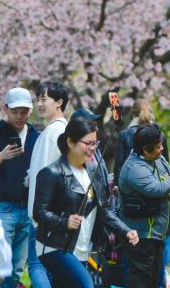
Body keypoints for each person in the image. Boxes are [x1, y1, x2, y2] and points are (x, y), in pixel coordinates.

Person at [33, 117, 139, 288]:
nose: (93, 148)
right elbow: (39, 212)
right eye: (88, 143)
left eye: (95, 143)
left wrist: (126, 231)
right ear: (70, 142)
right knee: (86, 285)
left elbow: (105, 211)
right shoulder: (51, 173)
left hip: (82, 247)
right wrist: (64, 222)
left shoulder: (92, 171)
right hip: (54, 246)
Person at [118, 123, 170, 288]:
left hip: (156, 232)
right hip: (141, 234)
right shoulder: (134, 167)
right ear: (145, 149)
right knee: (140, 280)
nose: (161, 149)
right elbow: (158, 189)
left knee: (154, 280)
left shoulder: (158, 159)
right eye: (158, 147)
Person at [0, 88, 40, 288]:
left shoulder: (36, 135)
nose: (20, 116)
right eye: (15, 111)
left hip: (29, 209)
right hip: (4, 208)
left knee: (17, 270)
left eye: (24, 111)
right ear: (5, 109)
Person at [28, 80, 70, 288]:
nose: (40, 104)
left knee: (37, 266)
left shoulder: (52, 133)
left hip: (42, 214)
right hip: (54, 213)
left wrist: (37, 213)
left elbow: (42, 175)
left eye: (44, 99)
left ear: (59, 102)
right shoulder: (63, 131)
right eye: (38, 100)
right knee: (50, 268)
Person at [114, 99, 169, 182]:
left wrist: (116, 184)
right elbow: (165, 162)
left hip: (130, 181)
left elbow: (119, 164)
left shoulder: (125, 134)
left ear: (132, 114)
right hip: (155, 182)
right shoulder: (160, 135)